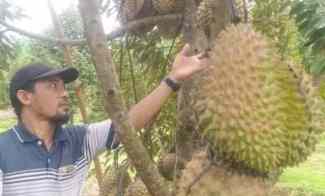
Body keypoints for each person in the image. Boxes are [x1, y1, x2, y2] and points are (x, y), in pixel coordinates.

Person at [0, 44, 209, 196]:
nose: (64, 93)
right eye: (53, 86)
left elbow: (129, 124)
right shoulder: (3, 150)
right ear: (25, 97)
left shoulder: (78, 140)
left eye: (64, 86)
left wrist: (172, 79)